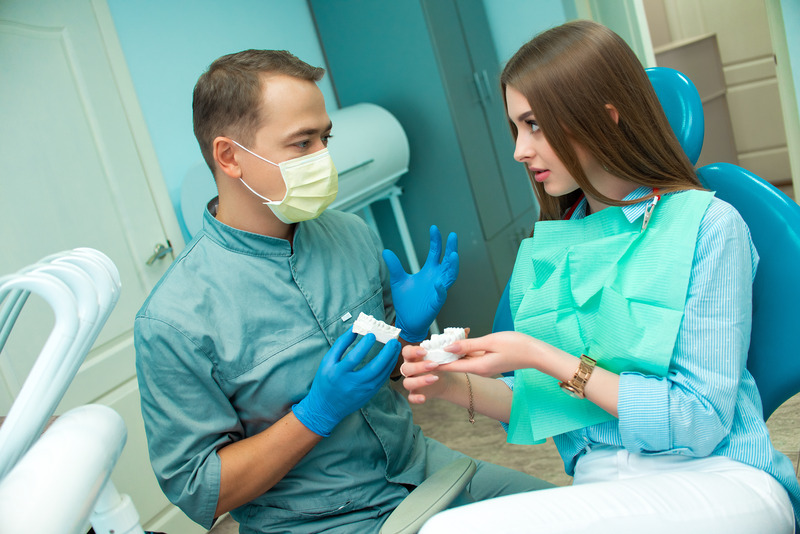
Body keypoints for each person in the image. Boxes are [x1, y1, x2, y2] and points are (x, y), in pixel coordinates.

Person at [400, 20, 800, 533]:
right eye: (516, 129)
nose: (521, 150)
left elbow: (699, 423)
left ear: (606, 118)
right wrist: (449, 384)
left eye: (536, 125)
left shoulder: (708, 225)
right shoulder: (552, 244)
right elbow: (545, 404)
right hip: (605, 488)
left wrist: (540, 353)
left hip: (719, 477)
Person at [134, 49, 553, 533]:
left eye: (325, 138)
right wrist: (314, 415)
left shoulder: (350, 234)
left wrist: (408, 335)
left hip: (424, 472)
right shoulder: (173, 319)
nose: (323, 158)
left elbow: (394, 370)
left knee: (585, 517)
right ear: (230, 156)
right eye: (302, 143)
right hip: (320, 521)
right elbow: (202, 490)